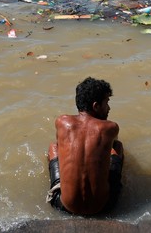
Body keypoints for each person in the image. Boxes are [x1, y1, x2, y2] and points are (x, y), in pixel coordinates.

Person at [47, 77, 124, 216]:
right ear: (96, 106)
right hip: (105, 206)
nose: (109, 108)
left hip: (64, 206)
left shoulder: (62, 122)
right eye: (106, 103)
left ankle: (60, 185)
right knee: (118, 147)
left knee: (53, 147)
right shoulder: (110, 127)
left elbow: (61, 146)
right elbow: (112, 146)